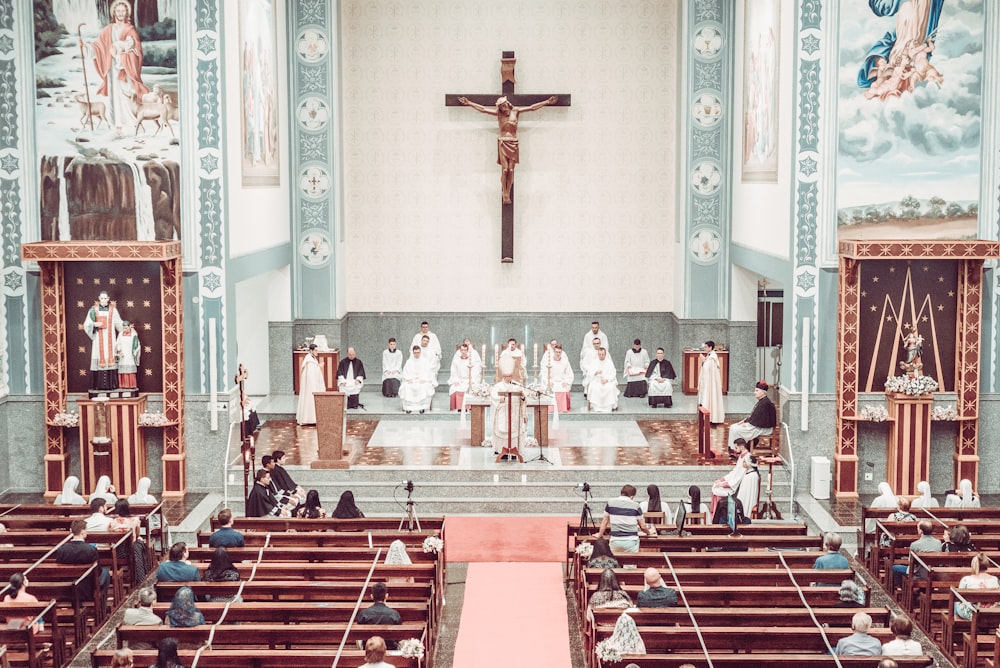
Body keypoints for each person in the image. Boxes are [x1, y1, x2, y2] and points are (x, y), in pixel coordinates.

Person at [457, 94, 560, 204]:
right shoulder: (498, 114)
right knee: (505, 169)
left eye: (503, 105)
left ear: (507, 103)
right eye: (500, 106)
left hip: (513, 142)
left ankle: (508, 191)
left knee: (511, 170)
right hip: (503, 142)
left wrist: (547, 102)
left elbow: (532, 107)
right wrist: (469, 103)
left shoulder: (516, 111)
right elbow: (483, 109)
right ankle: (505, 193)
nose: (502, 107)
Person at [80, 0, 149, 138]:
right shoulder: (108, 29)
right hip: (112, 68)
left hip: (124, 66)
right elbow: (98, 46)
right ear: (114, 13)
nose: (121, 13)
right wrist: (87, 47)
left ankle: (130, 124)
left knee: (125, 94)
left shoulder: (130, 29)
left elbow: (134, 46)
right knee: (113, 95)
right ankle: (115, 124)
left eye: (123, 11)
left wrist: (122, 51)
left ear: (127, 13)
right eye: (118, 11)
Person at [54, 520, 111, 603]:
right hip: (86, 591)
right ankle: (102, 606)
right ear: (82, 532)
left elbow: (59, 571)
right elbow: (98, 572)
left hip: (66, 590)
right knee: (105, 572)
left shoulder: (61, 550)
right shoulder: (91, 550)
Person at [595, 484, 657, 553]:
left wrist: (599, 534)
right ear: (632, 496)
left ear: (621, 493)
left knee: (615, 562)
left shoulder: (610, 503)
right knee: (631, 562)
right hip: (631, 541)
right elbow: (642, 526)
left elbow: (605, 521)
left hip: (615, 540)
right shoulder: (636, 505)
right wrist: (649, 532)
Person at [83, 291, 124, 392]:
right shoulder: (93, 310)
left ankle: (112, 385)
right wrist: (94, 324)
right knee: (99, 356)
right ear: (99, 298)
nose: (104, 300)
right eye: (102, 298)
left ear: (108, 298)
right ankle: (97, 385)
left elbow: (119, 323)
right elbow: (87, 324)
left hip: (110, 339)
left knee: (110, 357)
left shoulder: (113, 310)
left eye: (105, 298)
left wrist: (127, 330)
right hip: (98, 339)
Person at [491, 352, 527, 458]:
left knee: (514, 431)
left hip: (515, 414)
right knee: (503, 430)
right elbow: (494, 397)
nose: (509, 378)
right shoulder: (498, 386)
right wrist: (501, 398)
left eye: (510, 376)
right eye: (507, 376)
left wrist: (523, 397)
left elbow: (524, 397)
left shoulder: (517, 385)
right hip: (503, 412)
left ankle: (514, 449)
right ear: (503, 376)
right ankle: (502, 451)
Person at [727, 381, 776, 450]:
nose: (754, 392)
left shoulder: (766, 403)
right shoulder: (762, 401)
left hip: (763, 429)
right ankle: (732, 449)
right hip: (756, 426)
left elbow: (761, 421)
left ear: (762, 392)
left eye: (757, 391)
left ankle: (738, 450)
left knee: (736, 430)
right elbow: (755, 416)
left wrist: (748, 424)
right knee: (733, 427)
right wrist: (744, 421)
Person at [891, 520, 941, 586]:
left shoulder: (915, 544)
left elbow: (910, 561)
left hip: (918, 573)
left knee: (895, 568)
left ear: (921, 531)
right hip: (932, 571)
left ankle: (903, 588)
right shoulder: (938, 542)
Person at [710, 438, 750, 515]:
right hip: (732, 481)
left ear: (741, 447)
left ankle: (717, 513)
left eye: (736, 448)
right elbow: (735, 471)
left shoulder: (747, 458)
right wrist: (722, 480)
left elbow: (739, 476)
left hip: (735, 484)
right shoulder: (742, 456)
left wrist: (724, 484)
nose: (735, 450)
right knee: (716, 485)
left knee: (718, 489)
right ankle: (715, 512)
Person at [296, 344, 326, 425]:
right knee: (309, 401)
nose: (317, 352)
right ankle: (309, 419)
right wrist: (319, 366)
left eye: (317, 350)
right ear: (311, 351)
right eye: (316, 350)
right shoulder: (309, 361)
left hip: (313, 384)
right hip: (311, 386)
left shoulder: (312, 358)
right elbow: (310, 375)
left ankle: (314, 418)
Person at [539, 342, 573, 412]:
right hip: (552, 381)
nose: (558, 354)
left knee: (563, 388)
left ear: (561, 352)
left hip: (562, 381)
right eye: (556, 352)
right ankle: (551, 409)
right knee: (551, 389)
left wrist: (566, 382)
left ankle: (562, 408)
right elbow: (544, 374)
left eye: (559, 352)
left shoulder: (565, 361)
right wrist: (549, 382)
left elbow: (569, 374)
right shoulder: (549, 361)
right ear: (554, 351)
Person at [400, 345, 435, 413]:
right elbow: (405, 372)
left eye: (418, 352)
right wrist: (408, 379)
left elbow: (428, 372)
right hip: (411, 380)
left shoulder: (425, 361)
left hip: (422, 380)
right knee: (407, 387)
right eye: (415, 353)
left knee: (424, 386)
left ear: (420, 352)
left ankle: (422, 407)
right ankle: (409, 408)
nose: (417, 354)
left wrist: (424, 379)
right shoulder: (409, 361)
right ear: (413, 353)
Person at [448, 342, 481, 410]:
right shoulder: (456, 360)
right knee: (454, 388)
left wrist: (471, 380)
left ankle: (469, 406)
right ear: (460, 351)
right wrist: (456, 380)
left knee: (472, 388)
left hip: (469, 380)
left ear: (468, 350)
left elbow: (475, 372)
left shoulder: (472, 360)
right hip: (459, 380)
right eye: (462, 350)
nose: (463, 351)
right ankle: (459, 407)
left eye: (465, 350)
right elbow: (454, 372)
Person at [698, 341, 724, 425]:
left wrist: (703, 360)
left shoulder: (712, 357)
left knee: (711, 398)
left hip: (711, 384)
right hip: (708, 383)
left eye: (706, 347)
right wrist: (704, 360)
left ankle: (713, 418)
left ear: (710, 347)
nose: (705, 348)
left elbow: (707, 369)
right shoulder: (710, 356)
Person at [586, 348, 619, 412]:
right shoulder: (594, 362)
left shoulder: (609, 363)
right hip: (596, 381)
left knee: (610, 388)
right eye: (600, 354)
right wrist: (595, 372)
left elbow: (613, 373)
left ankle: (608, 407)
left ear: (605, 354)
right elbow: (589, 373)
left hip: (607, 381)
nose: (601, 356)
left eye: (602, 354)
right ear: (598, 354)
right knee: (594, 387)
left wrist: (607, 380)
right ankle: (597, 406)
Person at [116, 320, 141, 391]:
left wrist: (135, 352)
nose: (125, 329)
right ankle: (122, 384)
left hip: (130, 354)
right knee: (122, 368)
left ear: (129, 327)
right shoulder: (120, 334)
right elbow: (118, 343)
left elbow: (136, 345)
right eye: (123, 328)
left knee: (130, 368)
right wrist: (119, 350)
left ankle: (131, 384)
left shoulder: (133, 335)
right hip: (122, 354)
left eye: (126, 328)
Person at [735, 455, 760, 520]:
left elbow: (748, 493)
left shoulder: (752, 476)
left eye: (744, 462)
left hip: (746, 500)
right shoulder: (748, 473)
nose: (743, 463)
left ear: (749, 464)